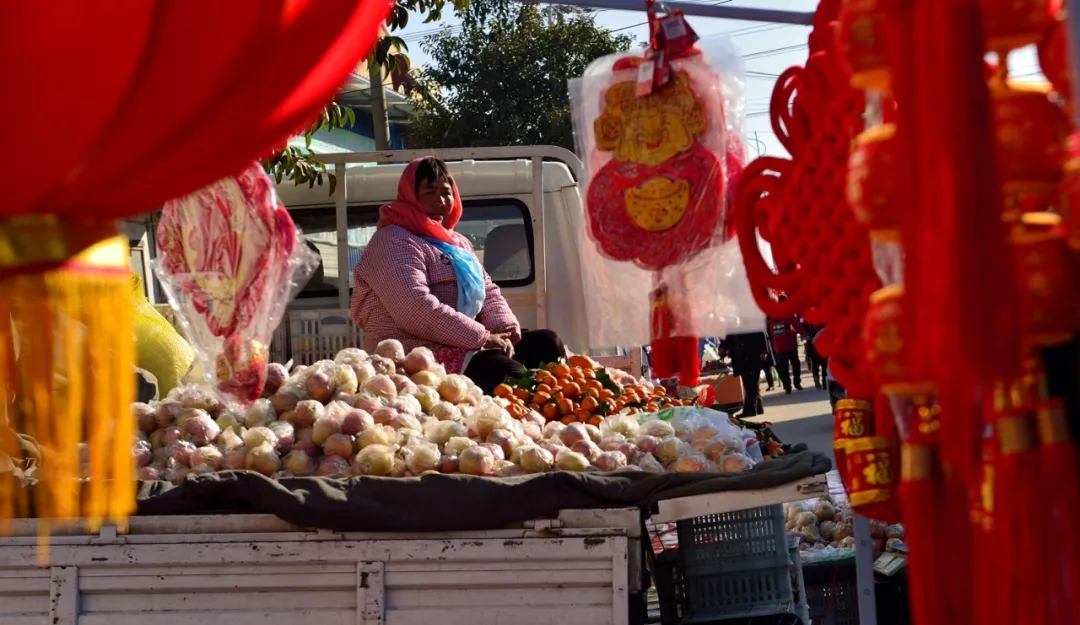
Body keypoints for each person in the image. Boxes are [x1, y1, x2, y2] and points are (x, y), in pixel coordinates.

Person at [351, 156, 566, 394]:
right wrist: (482, 337)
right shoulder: (393, 240)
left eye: (446, 192)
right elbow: (414, 307)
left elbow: (489, 291)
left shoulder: (458, 243)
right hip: (418, 352)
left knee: (547, 343)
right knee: (512, 377)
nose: (441, 201)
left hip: (466, 343)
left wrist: (505, 330)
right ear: (410, 197)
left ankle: (569, 412)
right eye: (429, 193)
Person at [725, 331, 772, 417]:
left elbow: (760, 331)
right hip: (742, 353)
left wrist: (763, 350)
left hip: (752, 352)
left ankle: (750, 409)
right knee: (750, 382)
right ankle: (758, 406)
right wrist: (727, 348)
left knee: (751, 382)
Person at [767, 295, 807, 394]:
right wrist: (805, 335)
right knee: (795, 364)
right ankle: (797, 382)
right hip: (790, 344)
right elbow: (796, 326)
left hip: (778, 347)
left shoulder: (771, 315)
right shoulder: (788, 313)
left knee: (783, 367)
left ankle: (787, 386)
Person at [804, 322, 827, 389]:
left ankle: (819, 380)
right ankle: (822, 381)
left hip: (815, 345)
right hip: (819, 345)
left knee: (817, 365)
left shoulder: (808, 321)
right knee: (822, 365)